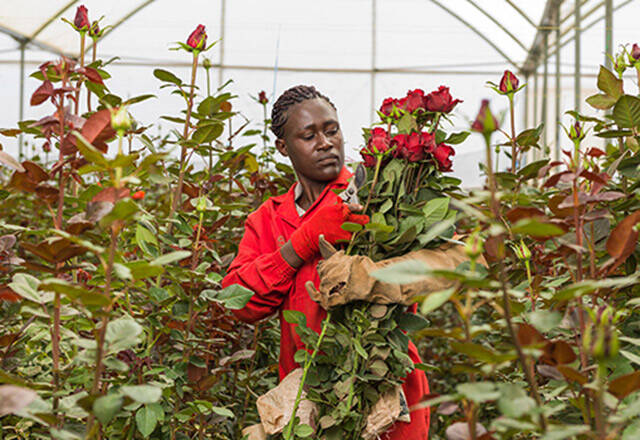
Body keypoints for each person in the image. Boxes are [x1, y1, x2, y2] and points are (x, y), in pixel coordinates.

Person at [222, 85, 430, 439]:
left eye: (331, 130)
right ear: (283, 147)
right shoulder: (270, 219)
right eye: (308, 135)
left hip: (385, 392)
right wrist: (301, 243)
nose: (325, 142)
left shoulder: (375, 194)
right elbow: (237, 301)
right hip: (307, 396)